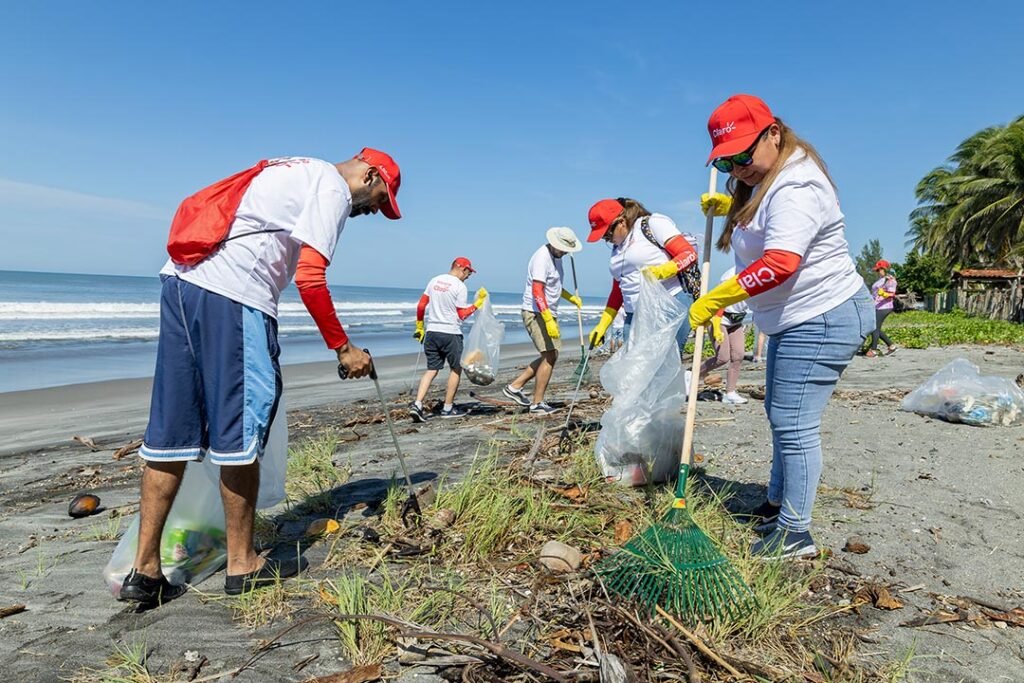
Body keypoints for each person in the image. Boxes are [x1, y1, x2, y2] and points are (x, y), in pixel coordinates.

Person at [121, 149, 402, 604]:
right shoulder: (329, 187)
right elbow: (311, 278)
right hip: (233, 296)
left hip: (181, 283)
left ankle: (145, 570)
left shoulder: (290, 167)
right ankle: (243, 563)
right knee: (241, 430)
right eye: (378, 200)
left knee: (171, 430)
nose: (372, 211)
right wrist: (343, 348)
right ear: (370, 175)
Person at [693, 94, 873, 559]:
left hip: (821, 315)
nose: (736, 168)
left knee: (794, 423)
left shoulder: (796, 185)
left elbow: (781, 262)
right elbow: (763, 237)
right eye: (726, 161)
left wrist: (719, 297)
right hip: (796, 318)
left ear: (773, 133)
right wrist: (732, 206)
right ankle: (776, 503)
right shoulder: (764, 180)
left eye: (742, 155)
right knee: (780, 412)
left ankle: (795, 533)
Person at [585, 198, 704, 356]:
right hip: (634, 314)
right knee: (634, 371)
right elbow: (618, 289)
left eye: (607, 233)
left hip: (667, 306)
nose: (605, 239)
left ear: (621, 221)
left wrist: (665, 270)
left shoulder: (652, 224)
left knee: (662, 368)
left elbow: (689, 254)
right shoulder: (618, 248)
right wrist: (603, 324)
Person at [503, 227, 583, 414]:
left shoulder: (558, 258)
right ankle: (537, 403)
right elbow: (537, 291)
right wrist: (547, 318)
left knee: (551, 354)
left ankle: (515, 387)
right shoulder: (542, 258)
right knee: (549, 355)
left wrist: (571, 297)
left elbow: (554, 286)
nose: (565, 252)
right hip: (536, 311)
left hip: (547, 312)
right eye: (563, 248)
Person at [409, 258, 488, 421]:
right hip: (450, 333)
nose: (468, 276)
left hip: (432, 332)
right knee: (456, 369)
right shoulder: (460, 287)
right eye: (468, 272)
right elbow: (462, 315)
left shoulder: (434, 280)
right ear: (461, 268)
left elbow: (421, 306)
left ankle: (417, 404)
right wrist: (477, 304)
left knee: (432, 370)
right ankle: (447, 408)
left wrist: (419, 327)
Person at [699, 267, 748, 405]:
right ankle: (692, 375)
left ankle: (730, 392)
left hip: (736, 321)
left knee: (738, 356)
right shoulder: (730, 275)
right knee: (722, 357)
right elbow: (719, 299)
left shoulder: (759, 273)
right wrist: (715, 324)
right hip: (719, 319)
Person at [866, 260, 898, 357]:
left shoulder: (890, 280)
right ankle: (891, 346)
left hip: (885, 307)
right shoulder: (881, 280)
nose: (878, 272)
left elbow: (892, 294)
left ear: (884, 269)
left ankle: (874, 350)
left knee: (874, 327)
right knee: (875, 327)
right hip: (877, 306)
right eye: (877, 270)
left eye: (879, 270)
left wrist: (884, 294)